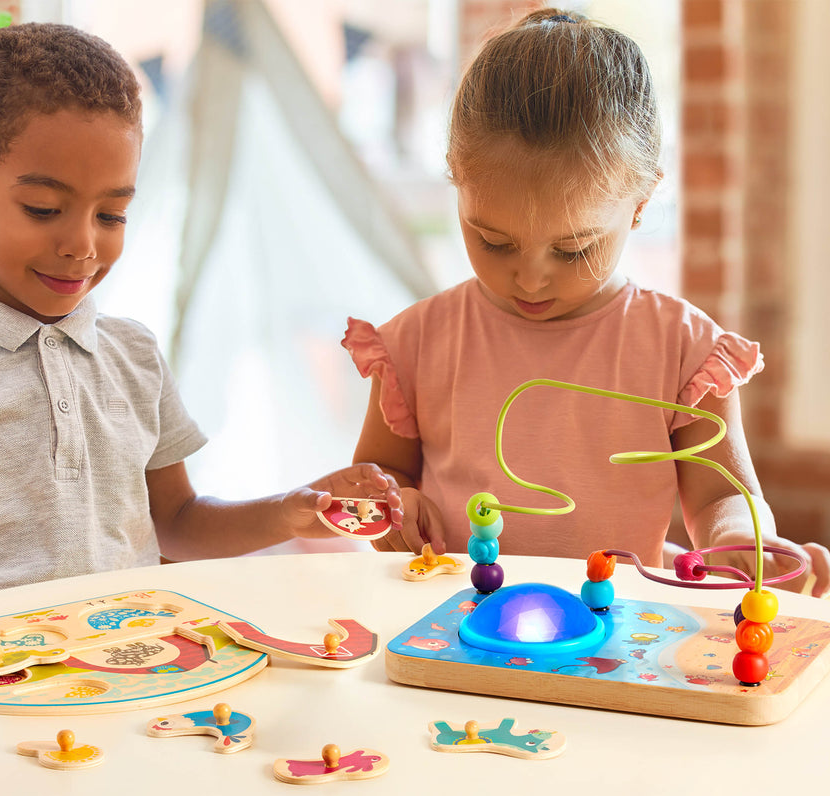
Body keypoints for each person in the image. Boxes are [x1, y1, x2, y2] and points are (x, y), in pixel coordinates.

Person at [0, 22, 401, 618]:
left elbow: (177, 523)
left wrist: (292, 509)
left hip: (112, 666)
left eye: (112, 215)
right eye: (44, 209)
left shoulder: (134, 356)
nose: (82, 245)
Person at [343, 8, 829, 596]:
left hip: (615, 636)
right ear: (455, 179)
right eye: (493, 240)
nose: (530, 278)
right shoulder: (417, 344)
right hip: (452, 628)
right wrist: (396, 506)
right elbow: (380, 477)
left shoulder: (683, 350)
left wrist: (742, 545)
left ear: (642, 201)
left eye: (573, 249)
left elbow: (722, 493)